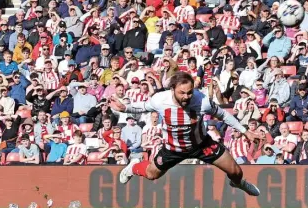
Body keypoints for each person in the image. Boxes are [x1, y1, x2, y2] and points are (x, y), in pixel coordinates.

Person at [110, 72, 260, 196]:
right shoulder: (160, 100)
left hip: (202, 145)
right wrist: (125, 108)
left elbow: (224, 115)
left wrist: (245, 131)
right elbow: (143, 107)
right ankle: (134, 167)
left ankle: (237, 183)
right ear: (172, 89)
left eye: (189, 92)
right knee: (151, 175)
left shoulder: (202, 101)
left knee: (236, 171)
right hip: (173, 149)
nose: (186, 97)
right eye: (182, 93)